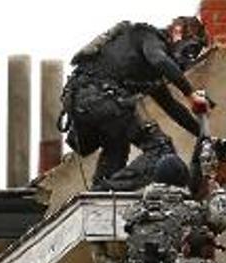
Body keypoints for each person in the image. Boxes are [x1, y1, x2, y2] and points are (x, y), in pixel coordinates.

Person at [59, 16, 212, 189]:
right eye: (190, 49)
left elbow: (172, 107)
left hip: (83, 103)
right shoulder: (149, 37)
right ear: (177, 31)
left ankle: (101, 194)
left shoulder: (146, 68)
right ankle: (108, 189)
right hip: (100, 97)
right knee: (161, 148)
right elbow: (160, 60)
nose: (188, 58)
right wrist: (190, 94)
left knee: (117, 146)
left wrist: (205, 137)